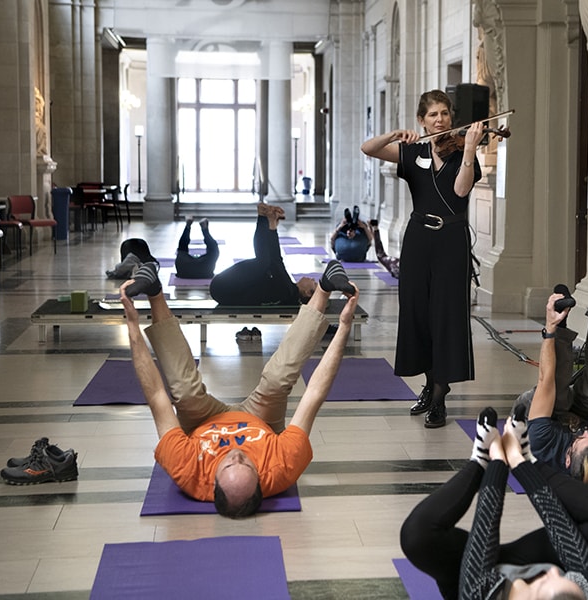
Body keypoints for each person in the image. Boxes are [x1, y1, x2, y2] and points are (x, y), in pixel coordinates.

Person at [120, 250, 360, 518]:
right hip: (262, 420)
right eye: (246, 463)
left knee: (184, 392)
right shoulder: (280, 468)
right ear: (261, 479)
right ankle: (325, 287)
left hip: (202, 421)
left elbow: (155, 394)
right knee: (278, 379)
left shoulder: (188, 470)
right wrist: (343, 328)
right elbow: (314, 393)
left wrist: (132, 325)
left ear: (212, 484)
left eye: (227, 464)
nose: (235, 453)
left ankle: (154, 291)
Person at [400, 406, 588, 600]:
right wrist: (523, 461)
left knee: (416, 537)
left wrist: (494, 461)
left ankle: (477, 461)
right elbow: (565, 536)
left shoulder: (477, 594)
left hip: (468, 571)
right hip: (526, 557)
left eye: (546, 582)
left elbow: (484, 529)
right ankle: (527, 458)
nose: (555, 572)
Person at [360, 89, 485, 428]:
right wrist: (394, 135)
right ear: (422, 120)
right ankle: (430, 384)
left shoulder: (462, 151)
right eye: (433, 115)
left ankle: (441, 396)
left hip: (451, 240)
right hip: (418, 240)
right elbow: (367, 149)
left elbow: (460, 192)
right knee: (419, 315)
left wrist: (471, 148)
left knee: (446, 315)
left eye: (444, 113)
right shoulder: (412, 152)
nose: (440, 119)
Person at [517, 289, 588, 487]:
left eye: (582, 440)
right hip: (582, 413)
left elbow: (546, 379)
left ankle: (561, 319)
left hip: (541, 414)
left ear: (568, 459)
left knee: (558, 390)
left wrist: (551, 327)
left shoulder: (542, 445)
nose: (587, 433)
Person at [209, 203, 353, 306]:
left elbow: (275, 262)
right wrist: (272, 226)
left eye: (314, 283)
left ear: (307, 292)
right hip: (226, 289)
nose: (312, 278)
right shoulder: (287, 289)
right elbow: (277, 260)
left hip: (223, 289)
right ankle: (263, 218)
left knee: (263, 264)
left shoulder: (286, 291)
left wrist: (270, 225)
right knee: (265, 265)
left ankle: (261, 216)